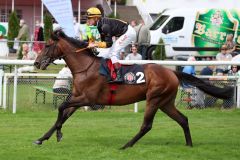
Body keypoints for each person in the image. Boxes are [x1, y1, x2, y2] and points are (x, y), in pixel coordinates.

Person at [86, 7, 136, 83]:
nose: (88, 20)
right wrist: (95, 48)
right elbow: (104, 43)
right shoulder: (99, 25)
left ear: (96, 18)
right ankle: (110, 73)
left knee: (113, 52)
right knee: (106, 53)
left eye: (89, 18)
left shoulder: (104, 26)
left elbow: (109, 44)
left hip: (128, 33)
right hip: (125, 32)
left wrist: (95, 44)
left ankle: (119, 77)